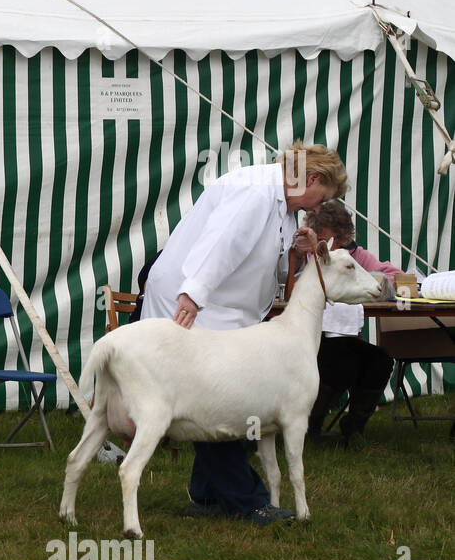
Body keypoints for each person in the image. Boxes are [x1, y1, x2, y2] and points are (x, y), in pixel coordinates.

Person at [141, 141, 348, 524]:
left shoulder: (284, 207)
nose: (319, 208)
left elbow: (270, 268)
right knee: (219, 402)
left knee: (219, 399)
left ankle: (205, 498)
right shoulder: (254, 192)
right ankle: (249, 501)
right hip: (197, 303)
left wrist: (296, 252)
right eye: (323, 197)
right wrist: (192, 295)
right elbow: (220, 245)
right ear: (314, 178)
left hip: (224, 311)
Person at [299, 200, 399, 446]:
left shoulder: (353, 255)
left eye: (328, 234)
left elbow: (392, 274)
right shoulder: (306, 253)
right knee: (343, 361)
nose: (324, 238)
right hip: (309, 336)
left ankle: (353, 427)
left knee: (380, 360)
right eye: (319, 233)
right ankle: (310, 425)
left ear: (341, 234)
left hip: (345, 337)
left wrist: (378, 281)